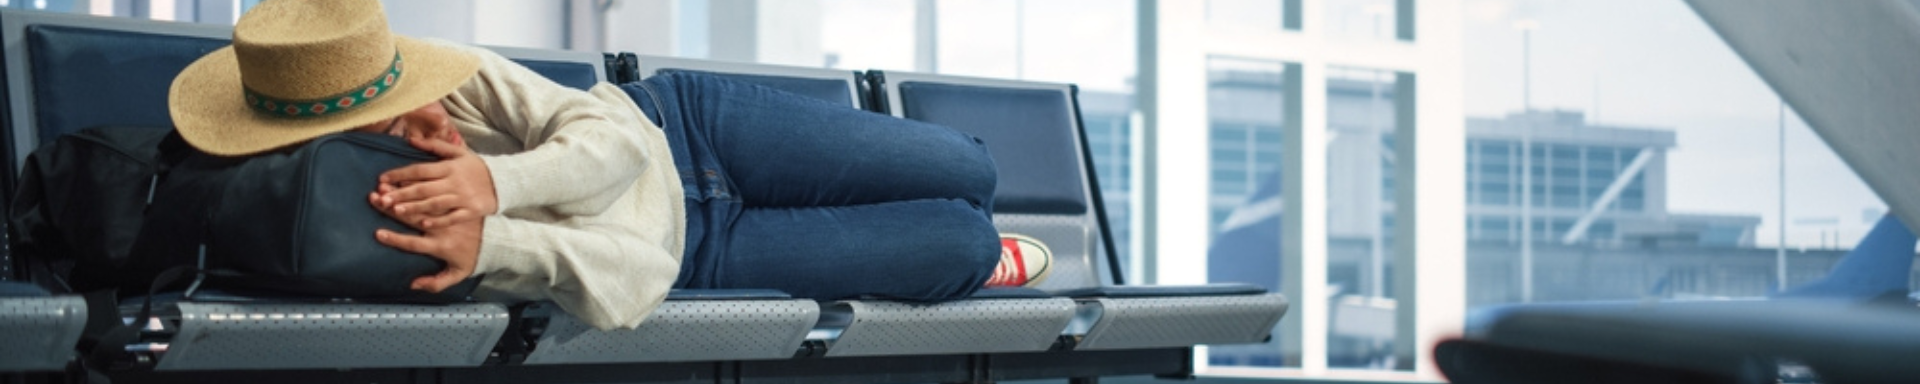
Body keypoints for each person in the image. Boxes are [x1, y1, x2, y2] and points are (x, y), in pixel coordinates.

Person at [166, 0, 1036, 330]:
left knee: (969, 168)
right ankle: (975, 256)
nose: (422, 108)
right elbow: (639, 273)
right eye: (386, 114)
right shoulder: (383, 220)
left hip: (686, 126)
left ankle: (953, 238)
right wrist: (497, 239)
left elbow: (609, 138)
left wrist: (496, 180)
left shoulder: (451, 78)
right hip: (700, 254)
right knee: (959, 243)